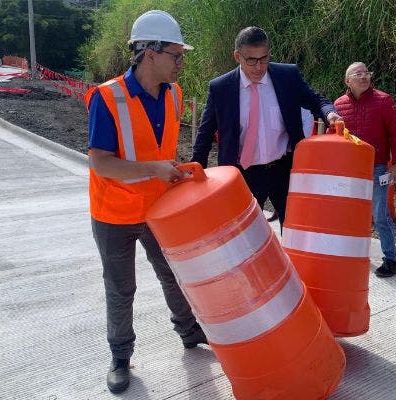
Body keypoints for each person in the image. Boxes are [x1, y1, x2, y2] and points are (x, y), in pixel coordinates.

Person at [85, 10, 207, 394]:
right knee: (121, 289)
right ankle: (120, 358)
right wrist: (153, 168)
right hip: (113, 214)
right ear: (149, 53)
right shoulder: (107, 98)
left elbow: (162, 149)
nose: (181, 64)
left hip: (159, 209)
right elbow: (100, 162)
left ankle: (190, 332)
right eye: (176, 55)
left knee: (174, 274)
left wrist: (172, 171)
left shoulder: (175, 95)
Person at [191, 26, 341, 227]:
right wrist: (196, 172)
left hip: (284, 168)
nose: (258, 67)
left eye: (264, 58)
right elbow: (205, 133)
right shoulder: (221, 88)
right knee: (245, 234)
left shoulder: (287, 76)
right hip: (242, 173)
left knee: (294, 230)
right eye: (251, 60)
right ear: (237, 56)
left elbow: (316, 100)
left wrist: (330, 113)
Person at [334, 62, 396, 277]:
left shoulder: (384, 101)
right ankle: (352, 251)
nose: (364, 77)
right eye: (359, 74)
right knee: (349, 212)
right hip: (349, 169)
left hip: (377, 167)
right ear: (348, 80)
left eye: (367, 73)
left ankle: (391, 260)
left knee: (380, 214)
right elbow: (334, 136)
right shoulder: (338, 105)